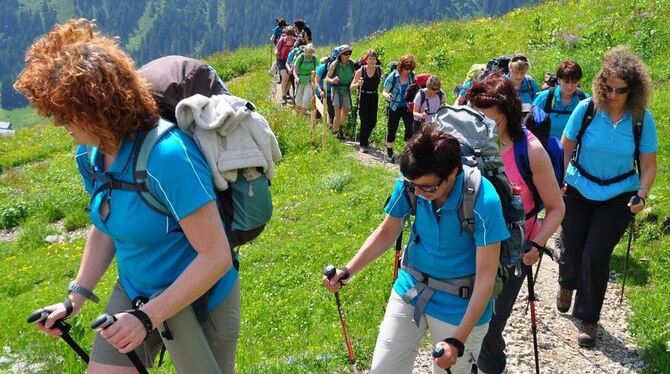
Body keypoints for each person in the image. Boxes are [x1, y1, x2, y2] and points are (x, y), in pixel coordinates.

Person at [14, 19, 240, 371]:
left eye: (65, 113)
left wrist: (147, 319)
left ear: (98, 107)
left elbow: (216, 257)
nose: (59, 124)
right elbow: (106, 224)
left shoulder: (168, 156)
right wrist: (74, 300)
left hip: (199, 297)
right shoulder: (89, 154)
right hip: (135, 292)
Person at [324, 125, 509, 374]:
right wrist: (348, 270)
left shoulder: (484, 201)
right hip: (410, 288)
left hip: (460, 304)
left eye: (428, 188)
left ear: (453, 172)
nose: (419, 193)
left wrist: (457, 341)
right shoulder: (411, 183)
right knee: (382, 369)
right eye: (414, 187)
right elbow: (388, 231)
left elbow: (486, 280)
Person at [558, 46, 657, 348]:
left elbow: (649, 164)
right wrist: (561, 179)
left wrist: (641, 194)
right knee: (572, 245)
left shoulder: (641, 119)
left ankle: (589, 318)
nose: (612, 94)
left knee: (596, 254)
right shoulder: (587, 108)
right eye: (607, 87)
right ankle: (566, 282)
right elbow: (566, 144)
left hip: (619, 193)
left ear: (633, 89)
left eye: (620, 89)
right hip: (578, 186)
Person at [467, 74, 565, 373]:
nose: (480, 127)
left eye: (489, 120)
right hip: (472, 241)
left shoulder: (531, 151)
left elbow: (556, 207)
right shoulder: (469, 142)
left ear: (508, 115)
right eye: (475, 117)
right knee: (466, 314)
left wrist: (537, 243)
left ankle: (490, 367)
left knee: (491, 322)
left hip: (514, 248)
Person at [533, 60, 589, 139]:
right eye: (567, 82)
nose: (570, 86)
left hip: (573, 149)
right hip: (545, 149)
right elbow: (530, 124)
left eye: (574, 82)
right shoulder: (545, 97)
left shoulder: (584, 101)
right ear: (559, 80)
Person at [382, 54, 416, 163]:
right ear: (401, 66)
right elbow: (384, 91)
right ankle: (389, 152)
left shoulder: (412, 76)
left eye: (410, 68)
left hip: (407, 106)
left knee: (409, 128)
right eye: (406, 68)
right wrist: (387, 96)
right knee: (392, 128)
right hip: (394, 106)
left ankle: (406, 153)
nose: (407, 71)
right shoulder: (393, 76)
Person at [350, 49, 383, 153]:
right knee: (364, 121)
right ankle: (363, 144)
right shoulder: (361, 71)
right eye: (370, 59)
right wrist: (358, 84)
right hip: (363, 96)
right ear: (366, 60)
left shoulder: (379, 70)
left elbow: (384, 82)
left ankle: (364, 138)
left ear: (376, 60)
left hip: (374, 96)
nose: (372, 61)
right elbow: (351, 87)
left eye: (374, 59)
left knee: (373, 122)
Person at [325, 44, 355, 139]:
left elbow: (354, 75)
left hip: (346, 89)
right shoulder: (335, 64)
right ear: (341, 55)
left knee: (345, 112)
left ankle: (338, 128)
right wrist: (333, 80)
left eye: (349, 53)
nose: (347, 55)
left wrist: (356, 83)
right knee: (337, 113)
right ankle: (335, 132)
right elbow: (327, 78)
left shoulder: (351, 64)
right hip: (336, 89)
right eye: (345, 53)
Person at [292, 44, 317, 114]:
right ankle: (297, 113)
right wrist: (297, 78)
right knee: (298, 98)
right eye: (307, 52)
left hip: (309, 80)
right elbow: (295, 70)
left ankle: (303, 113)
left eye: (310, 52)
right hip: (300, 79)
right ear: (305, 51)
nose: (309, 54)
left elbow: (317, 70)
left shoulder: (314, 59)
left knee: (306, 98)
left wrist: (314, 78)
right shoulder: (300, 58)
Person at [275, 25, 297, 102]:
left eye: (291, 34)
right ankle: (283, 96)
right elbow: (276, 49)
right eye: (288, 34)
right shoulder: (282, 41)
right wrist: (277, 52)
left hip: (291, 62)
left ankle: (286, 92)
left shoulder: (295, 41)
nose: (290, 36)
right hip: (282, 60)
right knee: (285, 77)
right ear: (286, 34)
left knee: (290, 79)